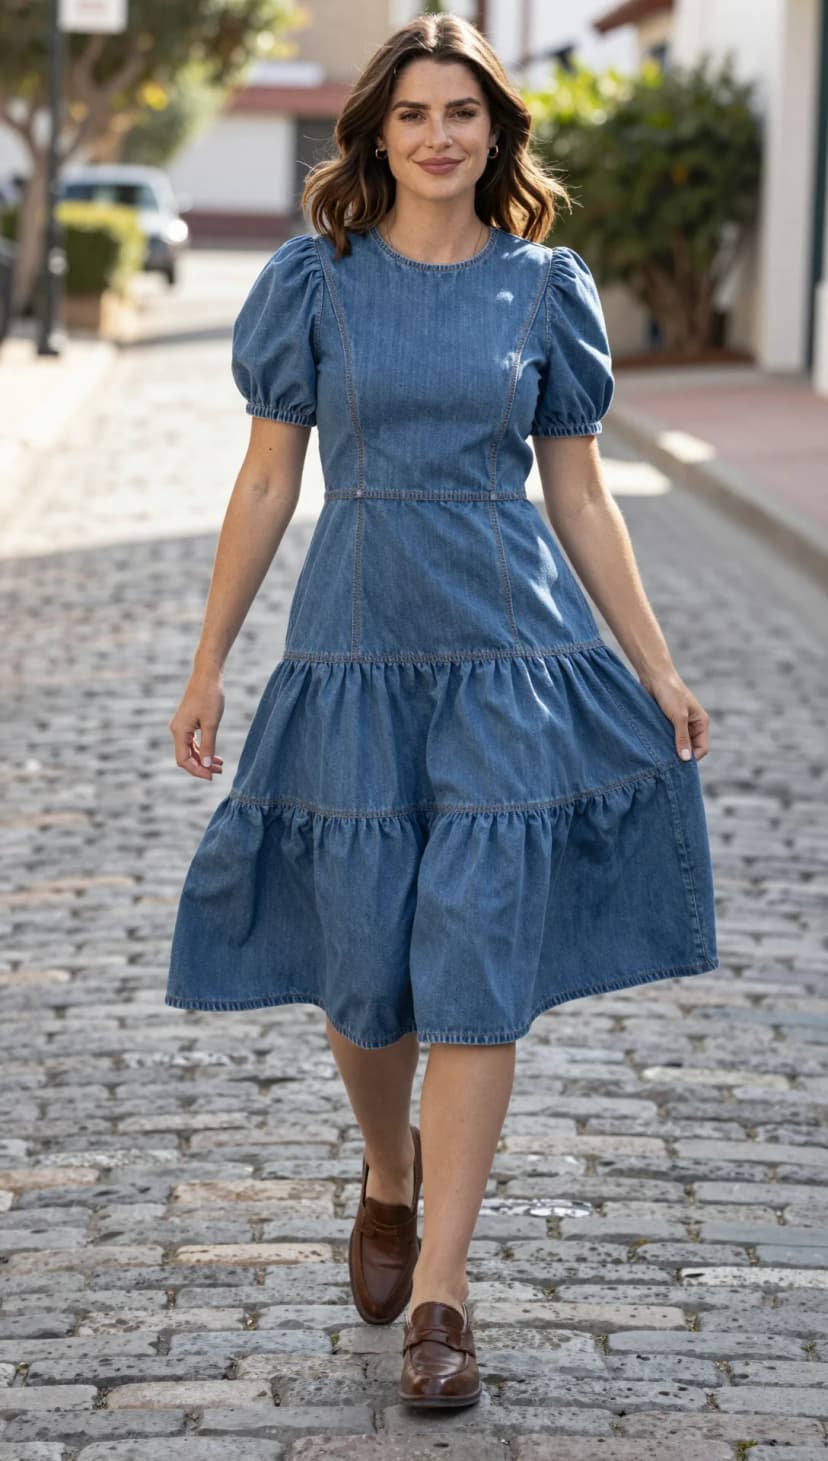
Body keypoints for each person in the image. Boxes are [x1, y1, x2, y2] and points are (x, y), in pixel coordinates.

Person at [165, 12, 719, 1410]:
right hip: (352, 649)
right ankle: (390, 1167)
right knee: (367, 970)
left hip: (508, 659)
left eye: (461, 113)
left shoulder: (543, 289)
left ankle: (442, 1294)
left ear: (495, 134)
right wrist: (210, 657)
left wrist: (655, 664)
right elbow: (267, 483)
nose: (436, 136)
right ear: (376, 132)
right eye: (411, 114)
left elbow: (581, 494)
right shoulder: (317, 283)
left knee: (472, 949)